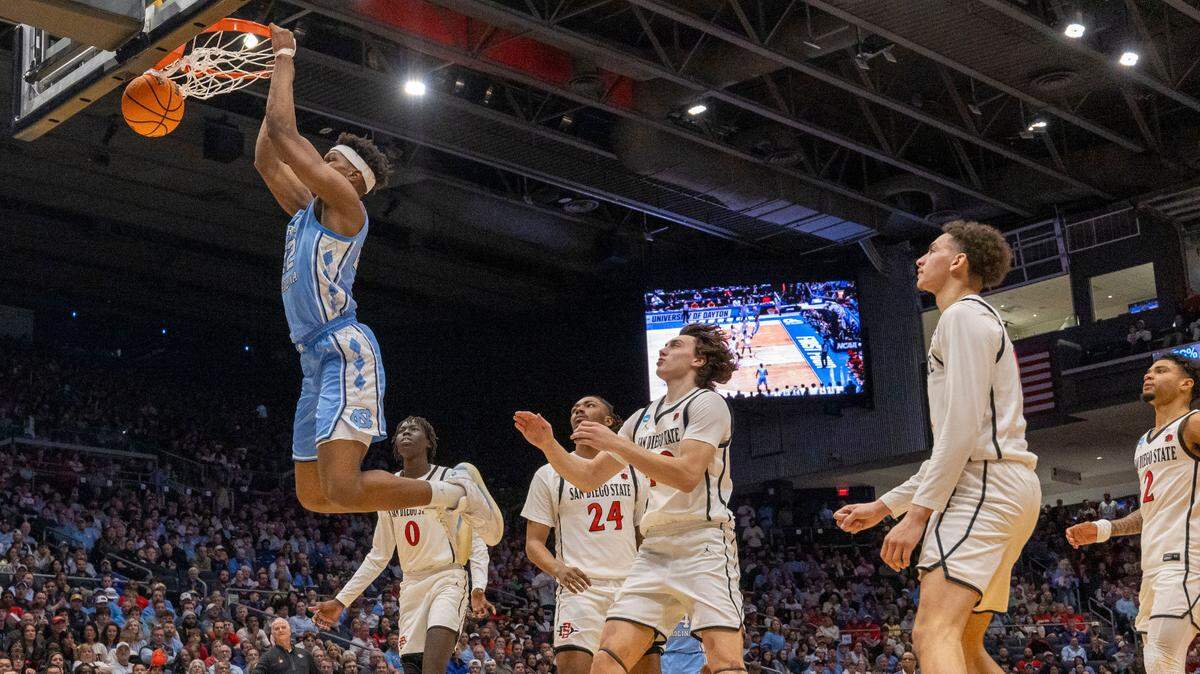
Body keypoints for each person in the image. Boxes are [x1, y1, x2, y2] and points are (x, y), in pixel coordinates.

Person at [254, 24, 501, 545]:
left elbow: (283, 133)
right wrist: (268, 73)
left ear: (352, 179)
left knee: (342, 489)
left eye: (334, 161)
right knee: (313, 496)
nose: (324, 160)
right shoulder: (306, 212)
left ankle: (453, 491)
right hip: (312, 358)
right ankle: (438, 495)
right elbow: (266, 154)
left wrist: (284, 56)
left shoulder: (348, 207)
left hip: (346, 352)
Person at [834, 220, 1040, 673]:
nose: (920, 260)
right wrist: (886, 506)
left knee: (932, 632)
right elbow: (957, 443)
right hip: (1003, 485)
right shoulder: (973, 319)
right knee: (965, 644)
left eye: (931, 250)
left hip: (985, 486)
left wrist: (916, 515)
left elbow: (960, 434)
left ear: (959, 262)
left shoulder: (963, 317)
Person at [514, 322, 742, 674]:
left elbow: (685, 476)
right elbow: (586, 478)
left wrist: (615, 442)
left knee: (724, 662)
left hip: (702, 543)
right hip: (652, 551)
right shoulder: (642, 418)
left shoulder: (707, 404)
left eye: (674, 344)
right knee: (605, 661)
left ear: (698, 359)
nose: (663, 349)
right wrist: (547, 444)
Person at [312, 417, 494, 674]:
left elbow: (474, 538)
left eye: (414, 429)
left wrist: (478, 587)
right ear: (395, 444)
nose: (406, 433)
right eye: (400, 431)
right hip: (411, 586)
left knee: (432, 668)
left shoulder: (448, 478)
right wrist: (341, 601)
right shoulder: (388, 487)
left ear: (429, 441)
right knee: (412, 669)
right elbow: (379, 555)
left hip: (447, 579)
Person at [1065, 354, 1200, 673]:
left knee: (1163, 658)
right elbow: (1149, 512)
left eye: (1161, 370)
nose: (1149, 375)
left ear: (1186, 383)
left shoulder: (1193, 423)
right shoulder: (1143, 443)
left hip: (1185, 560)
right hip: (1154, 567)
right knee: (1157, 657)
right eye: (1149, 370)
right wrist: (1103, 529)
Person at [519, 396, 660, 674]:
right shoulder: (548, 473)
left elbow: (643, 534)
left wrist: (649, 577)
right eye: (574, 409)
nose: (579, 410)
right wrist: (559, 569)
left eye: (589, 405)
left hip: (629, 588)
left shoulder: (633, 470)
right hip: (580, 590)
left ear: (609, 422)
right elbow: (533, 543)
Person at [249, 619, 319, 674]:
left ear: (290, 631)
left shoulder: (305, 654)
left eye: (283, 627)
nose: (280, 630)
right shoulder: (267, 657)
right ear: (272, 635)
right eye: (276, 629)